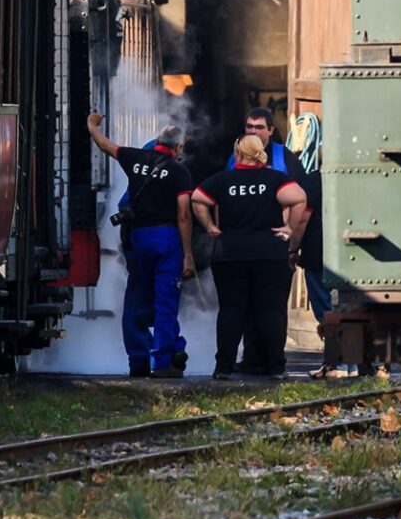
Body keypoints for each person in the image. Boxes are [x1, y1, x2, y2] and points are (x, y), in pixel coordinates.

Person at [87, 111, 194, 378]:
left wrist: (92, 126)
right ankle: (164, 362)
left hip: (138, 239)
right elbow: (183, 214)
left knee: (136, 297)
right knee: (165, 302)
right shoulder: (179, 172)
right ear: (178, 147)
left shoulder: (135, 158)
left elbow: (105, 145)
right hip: (166, 238)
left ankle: (138, 360)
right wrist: (188, 254)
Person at [192, 135, 307, 379]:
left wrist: (210, 226)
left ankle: (223, 367)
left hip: (229, 252)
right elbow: (298, 198)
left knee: (231, 310)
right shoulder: (275, 179)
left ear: (238, 154)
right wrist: (289, 228)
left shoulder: (224, 180)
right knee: (270, 311)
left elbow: (198, 198)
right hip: (268, 253)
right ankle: (276, 368)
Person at [227, 106, 311, 371]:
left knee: (273, 305)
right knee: (247, 305)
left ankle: (274, 360)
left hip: (276, 244)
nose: (253, 131)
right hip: (243, 244)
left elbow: (304, 203)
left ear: (271, 131)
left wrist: (292, 241)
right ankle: (252, 358)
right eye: (249, 127)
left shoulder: (285, 160)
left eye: (259, 127)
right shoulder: (234, 159)